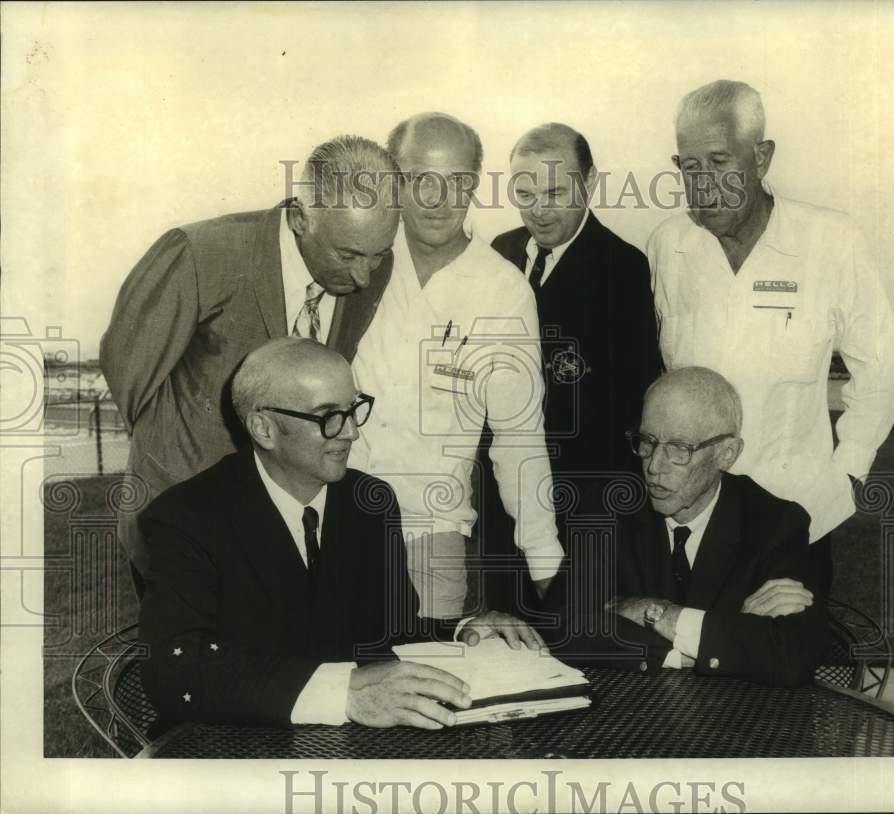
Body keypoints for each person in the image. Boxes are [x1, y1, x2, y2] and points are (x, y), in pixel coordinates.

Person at [138, 338, 546, 728]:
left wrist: (463, 632)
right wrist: (345, 693)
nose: (352, 432)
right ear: (263, 428)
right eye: (329, 416)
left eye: (354, 410)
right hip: (232, 754)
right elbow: (177, 668)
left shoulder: (367, 500)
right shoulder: (187, 516)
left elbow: (393, 631)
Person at [101, 135, 401, 587]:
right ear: (301, 218)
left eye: (377, 255)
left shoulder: (375, 268)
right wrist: (176, 449)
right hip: (183, 522)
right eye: (349, 255)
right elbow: (130, 373)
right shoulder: (198, 253)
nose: (364, 277)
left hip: (280, 530)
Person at [647, 80, 894, 593]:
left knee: (779, 666)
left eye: (720, 162)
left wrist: (846, 477)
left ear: (761, 157)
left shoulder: (831, 241)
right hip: (692, 520)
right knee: (680, 661)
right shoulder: (668, 246)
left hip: (795, 517)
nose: (703, 185)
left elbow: (882, 368)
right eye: (689, 167)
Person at [348, 112, 563, 619]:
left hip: (433, 536)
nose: (438, 200)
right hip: (334, 521)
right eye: (421, 179)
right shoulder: (360, 259)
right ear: (393, 180)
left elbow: (519, 438)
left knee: (428, 680)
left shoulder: (502, 290)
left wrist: (546, 563)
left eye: (458, 181)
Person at [483, 123, 661, 615]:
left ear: (589, 183)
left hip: (579, 503)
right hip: (500, 496)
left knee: (573, 637)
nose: (539, 208)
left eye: (557, 192)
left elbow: (632, 404)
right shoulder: (498, 252)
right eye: (525, 192)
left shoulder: (622, 269)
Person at [608, 367, 827, 687]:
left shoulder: (776, 524)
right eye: (647, 442)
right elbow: (563, 628)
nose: (654, 466)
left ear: (727, 454)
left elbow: (791, 656)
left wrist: (651, 613)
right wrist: (730, 630)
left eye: (679, 448)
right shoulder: (610, 509)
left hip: (733, 728)